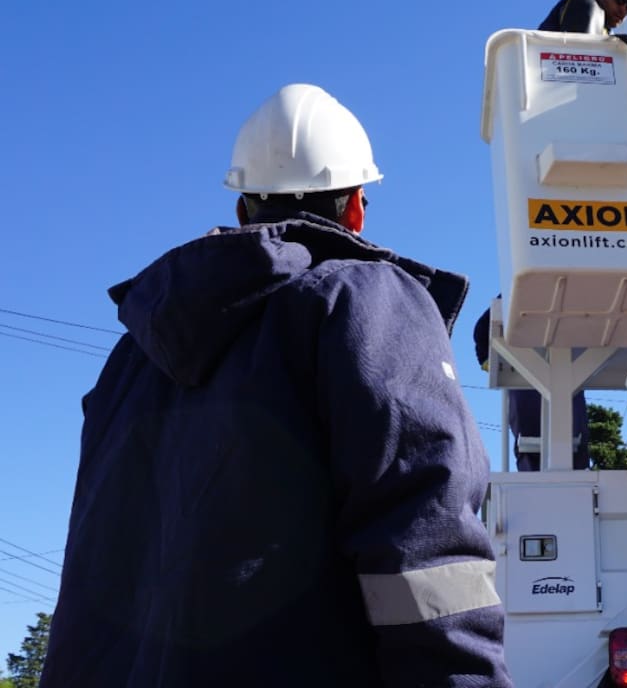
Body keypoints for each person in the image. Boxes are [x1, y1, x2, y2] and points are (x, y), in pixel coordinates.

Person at [41, 84, 513, 688]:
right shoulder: (365, 301)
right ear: (356, 209)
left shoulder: (129, 359)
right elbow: (428, 555)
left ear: (242, 215)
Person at [473, 303, 589, 471]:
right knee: (536, 442)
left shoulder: (517, 288)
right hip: (537, 378)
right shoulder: (517, 290)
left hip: (535, 376)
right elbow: (483, 329)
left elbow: (482, 329)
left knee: (564, 444)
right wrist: (488, 360)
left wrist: (489, 361)